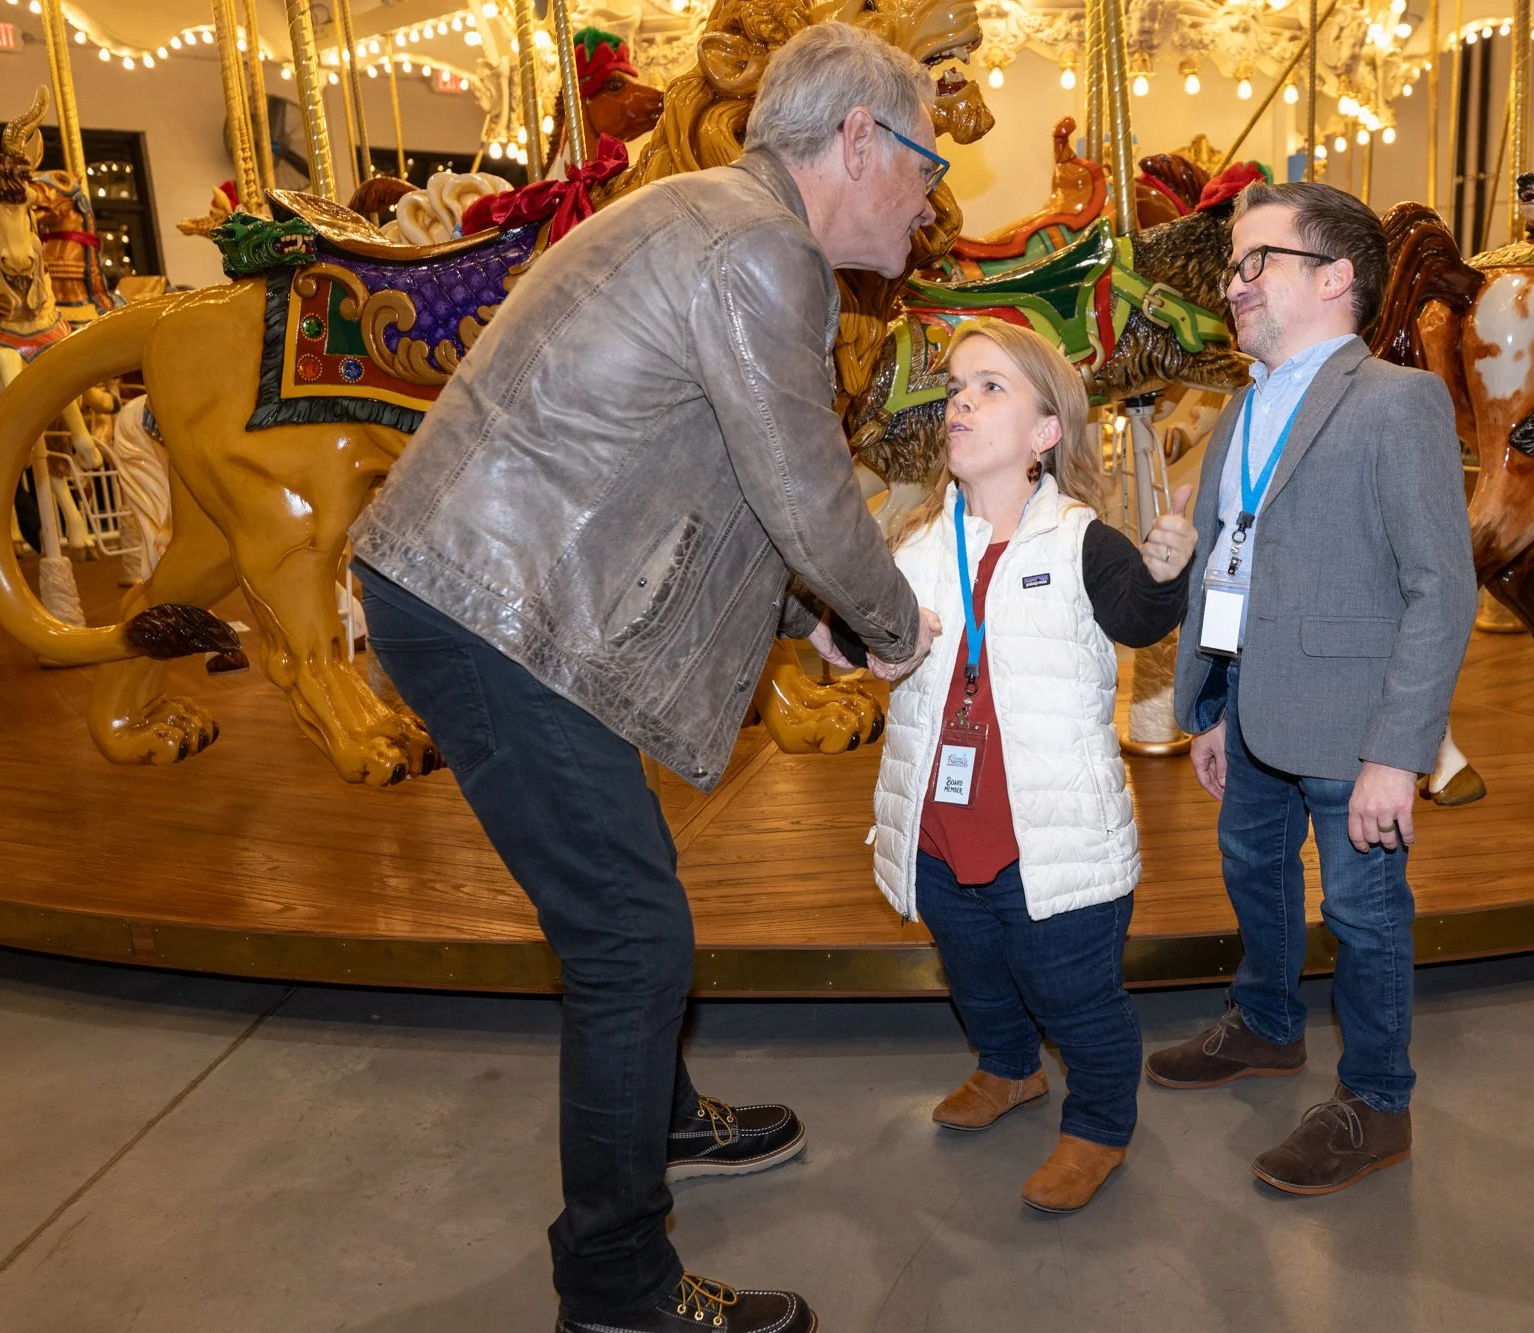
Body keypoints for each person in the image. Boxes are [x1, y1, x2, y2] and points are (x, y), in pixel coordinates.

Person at [347, 22, 947, 1333]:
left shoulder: (714, 218)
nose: (933, 191)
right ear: (856, 140)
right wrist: (898, 626)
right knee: (631, 934)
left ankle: (661, 1116)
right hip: (490, 605)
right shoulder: (759, 247)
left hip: (483, 590)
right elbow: (800, 484)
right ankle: (615, 1289)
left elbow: (717, 475)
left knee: (628, 893)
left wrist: (816, 621)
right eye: (926, 157)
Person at [1144, 181, 1474, 1196]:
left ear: (1333, 278)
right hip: (1249, 704)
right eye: (1232, 265)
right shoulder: (1242, 403)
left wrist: (1395, 752)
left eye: (1256, 262)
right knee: (1251, 869)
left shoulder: (1396, 400)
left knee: (1365, 916)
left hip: (1348, 725)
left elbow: (1438, 586)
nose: (1232, 283)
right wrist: (1207, 698)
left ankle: (1375, 1103)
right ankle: (1267, 1024)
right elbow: (1233, 557)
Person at [845, 318, 1196, 1213]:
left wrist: (1165, 573)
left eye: (991, 385)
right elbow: (864, 648)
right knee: (972, 974)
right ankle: (1008, 1069)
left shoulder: (1084, 541)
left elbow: (1139, 617)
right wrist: (866, 648)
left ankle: (1101, 1124)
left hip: (1049, 837)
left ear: (1046, 431)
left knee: (1075, 995)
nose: (962, 399)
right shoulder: (917, 545)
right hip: (939, 825)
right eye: (958, 386)